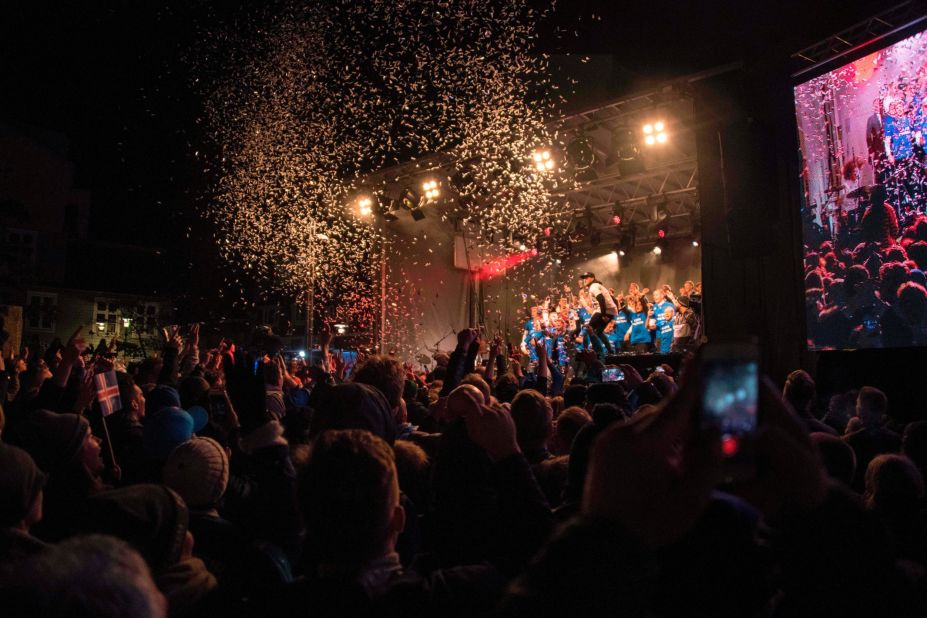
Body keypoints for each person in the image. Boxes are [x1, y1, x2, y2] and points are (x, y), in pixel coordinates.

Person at [580, 272, 618, 357]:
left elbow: (601, 299)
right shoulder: (597, 285)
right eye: (584, 278)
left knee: (588, 329)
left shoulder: (593, 286)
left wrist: (603, 314)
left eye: (587, 277)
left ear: (592, 278)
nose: (584, 280)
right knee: (599, 332)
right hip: (610, 311)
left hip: (604, 311)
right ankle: (610, 351)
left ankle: (586, 351)